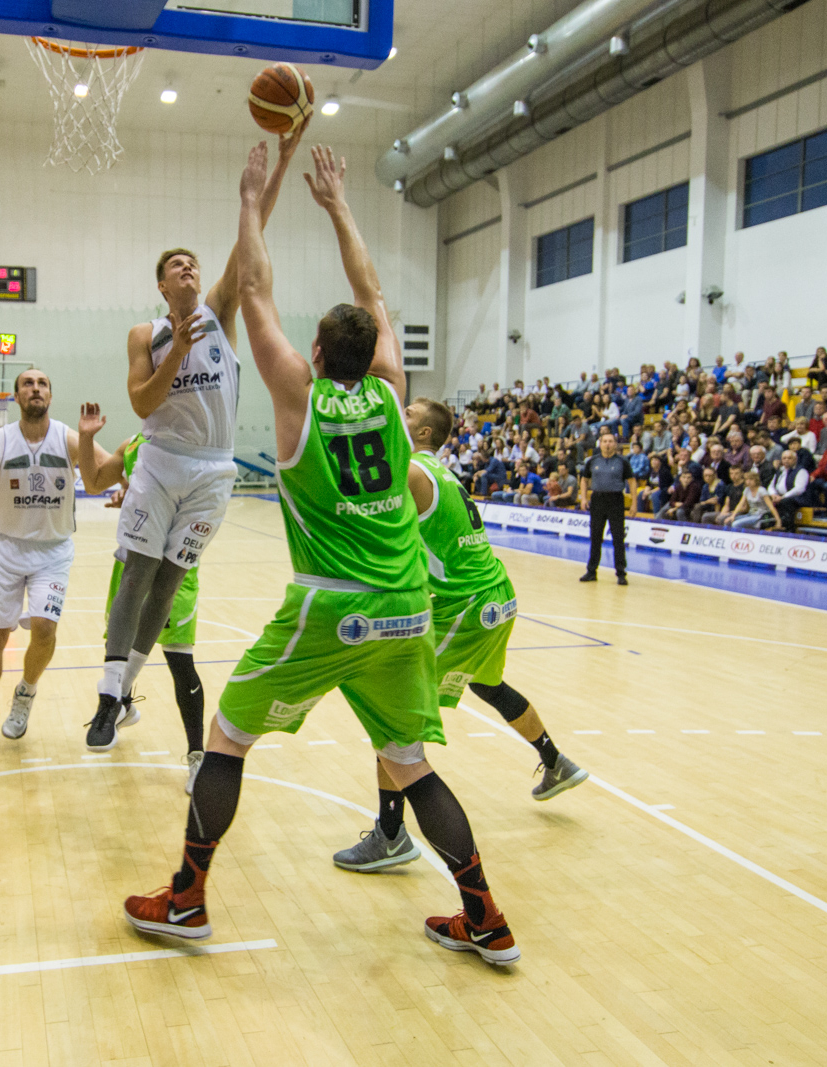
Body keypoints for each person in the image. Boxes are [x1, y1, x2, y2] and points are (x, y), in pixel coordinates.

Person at [121, 142, 522, 966]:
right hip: (409, 607)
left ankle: (187, 899)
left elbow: (255, 288)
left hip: (332, 606)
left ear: (312, 349)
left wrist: (251, 199)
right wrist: (339, 204)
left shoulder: (297, 397)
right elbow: (370, 292)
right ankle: (485, 916)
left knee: (226, 739)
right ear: (377, 352)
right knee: (409, 763)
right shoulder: (389, 396)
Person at [93, 128, 303, 752]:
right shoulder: (146, 333)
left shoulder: (219, 311)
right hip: (160, 462)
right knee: (137, 573)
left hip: (213, 470)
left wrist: (280, 162)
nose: (189, 268)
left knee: (169, 582)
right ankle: (106, 700)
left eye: (194, 264)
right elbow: (141, 403)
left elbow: (251, 240)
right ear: (162, 285)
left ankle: (122, 688)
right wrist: (175, 354)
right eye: (176, 266)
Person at [332, 398, 589, 873]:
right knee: (486, 683)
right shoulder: (439, 470)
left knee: (393, 706)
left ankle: (390, 835)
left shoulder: (411, 472)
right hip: (496, 595)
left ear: (425, 433)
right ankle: (555, 762)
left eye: (407, 413)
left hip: (468, 606)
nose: (399, 415)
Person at [0, 370, 115, 752]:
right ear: (16, 396)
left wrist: (101, 450)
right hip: (5, 550)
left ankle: (25, 694)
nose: (36, 389)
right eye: (28, 384)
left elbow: (107, 473)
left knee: (44, 630)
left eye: (42, 384)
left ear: (50, 396)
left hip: (53, 551)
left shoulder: (68, 438)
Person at [81, 427, 210, 792]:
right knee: (120, 648)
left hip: (177, 570)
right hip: (133, 562)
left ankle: (197, 755)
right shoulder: (133, 445)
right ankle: (121, 706)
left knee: (180, 662)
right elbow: (93, 482)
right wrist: (87, 437)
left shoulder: (195, 440)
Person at [579, 431, 628, 584]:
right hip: (598, 499)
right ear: (600, 444)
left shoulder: (622, 461)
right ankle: (591, 571)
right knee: (595, 537)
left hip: (616, 500)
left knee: (618, 538)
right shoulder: (592, 461)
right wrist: (584, 498)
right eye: (605, 441)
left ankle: (621, 573)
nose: (607, 444)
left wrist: (633, 504)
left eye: (610, 441)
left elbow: (632, 481)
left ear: (615, 444)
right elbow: (584, 479)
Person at [765, 450, 809, 531]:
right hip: (780, 497)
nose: (786, 460)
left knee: (786, 502)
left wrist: (783, 497)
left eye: (789, 458)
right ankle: (767, 523)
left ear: (795, 460)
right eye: (784, 458)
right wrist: (773, 495)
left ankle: (788, 529)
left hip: (797, 499)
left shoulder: (801, 471)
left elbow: (799, 489)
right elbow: (771, 486)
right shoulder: (780, 471)